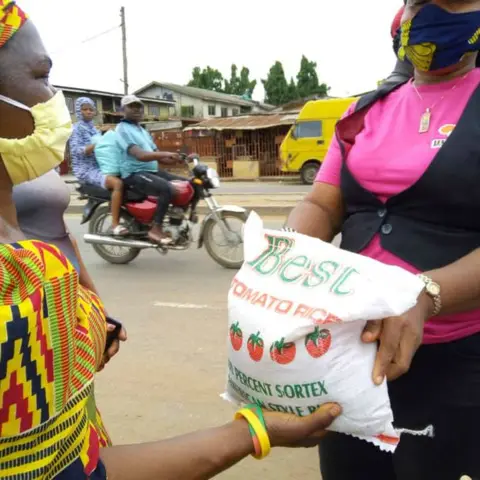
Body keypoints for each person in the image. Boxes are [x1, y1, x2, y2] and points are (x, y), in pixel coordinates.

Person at [0, 2, 340, 479]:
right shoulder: (21, 284)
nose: (53, 95)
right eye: (42, 76)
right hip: (121, 177)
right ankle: (150, 228)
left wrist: (85, 325)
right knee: (156, 189)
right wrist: (252, 432)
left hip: (77, 427)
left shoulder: (37, 260)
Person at [287, 1, 480, 479]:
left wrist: (425, 294)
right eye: (419, 1)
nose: (432, 11)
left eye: (455, 0)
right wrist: (284, 254)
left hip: (456, 358)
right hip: (350, 350)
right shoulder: (364, 110)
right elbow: (323, 203)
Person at [116, 95, 187, 244]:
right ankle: (156, 228)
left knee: (187, 184)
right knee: (166, 188)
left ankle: (177, 221)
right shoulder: (122, 129)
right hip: (134, 173)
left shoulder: (142, 130)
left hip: (150, 172)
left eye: (139, 106)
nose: (136, 109)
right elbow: (140, 155)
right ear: (123, 110)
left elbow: (161, 158)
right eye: (131, 106)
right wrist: (166, 153)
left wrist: (179, 158)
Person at [70, 97, 127, 235]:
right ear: (78, 111)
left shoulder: (93, 129)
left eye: (91, 109)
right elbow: (77, 150)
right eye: (85, 109)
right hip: (86, 170)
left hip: (100, 166)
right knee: (117, 184)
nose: (89, 112)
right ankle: (114, 225)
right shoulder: (76, 129)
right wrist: (99, 144)